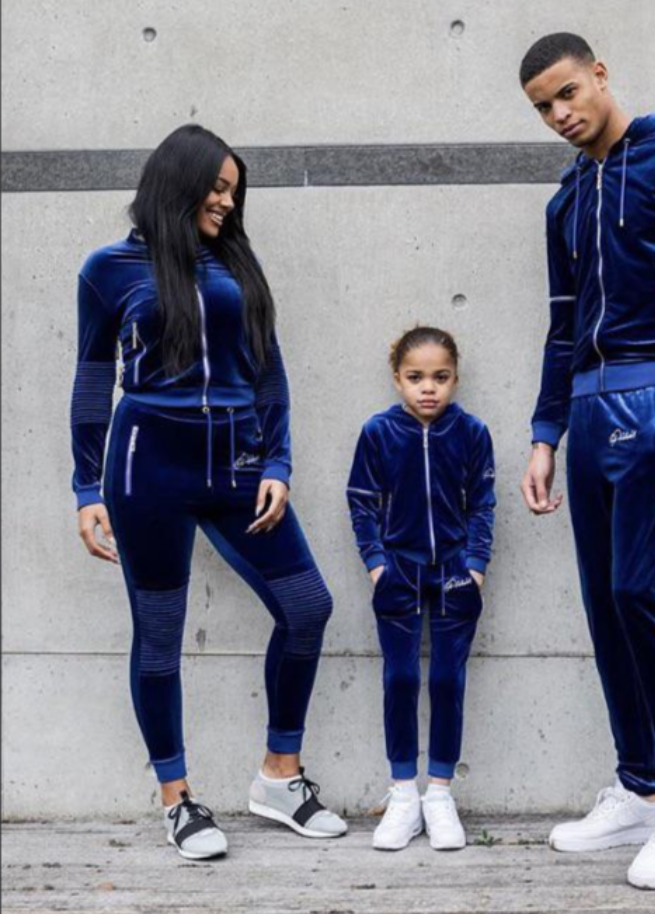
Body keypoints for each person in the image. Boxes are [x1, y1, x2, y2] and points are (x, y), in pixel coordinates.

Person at [71, 124, 347, 861]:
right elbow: (94, 381)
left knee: (308, 607)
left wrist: (278, 463)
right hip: (146, 468)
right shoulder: (108, 270)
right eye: (216, 188)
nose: (226, 202)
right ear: (178, 183)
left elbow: (269, 373)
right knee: (159, 635)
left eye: (233, 190)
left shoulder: (235, 268)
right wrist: (83, 483)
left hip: (236, 465)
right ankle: (178, 800)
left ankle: (279, 777)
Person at [519, 34, 655, 890]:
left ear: (601, 74)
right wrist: (546, 432)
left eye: (568, 93)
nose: (560, 115)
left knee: (640, 592)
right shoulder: (564, 201)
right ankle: (642, 785)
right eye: (543, 107)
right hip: (586, 405)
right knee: (604, 604)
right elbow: (561, 323)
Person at [347, 328, 496, 852]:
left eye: (440, 377)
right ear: (397, 380)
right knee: (403, 677)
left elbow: (482, 504)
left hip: (456, 572)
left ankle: (439, 794)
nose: (427, 389)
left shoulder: (472, 432)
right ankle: (403, 794)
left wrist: (474, 566)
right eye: (415, 378)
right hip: (399, 573)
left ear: (455, 378)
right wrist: (377, 567)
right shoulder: (379, 432)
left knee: (448, 681)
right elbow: (362, 502)